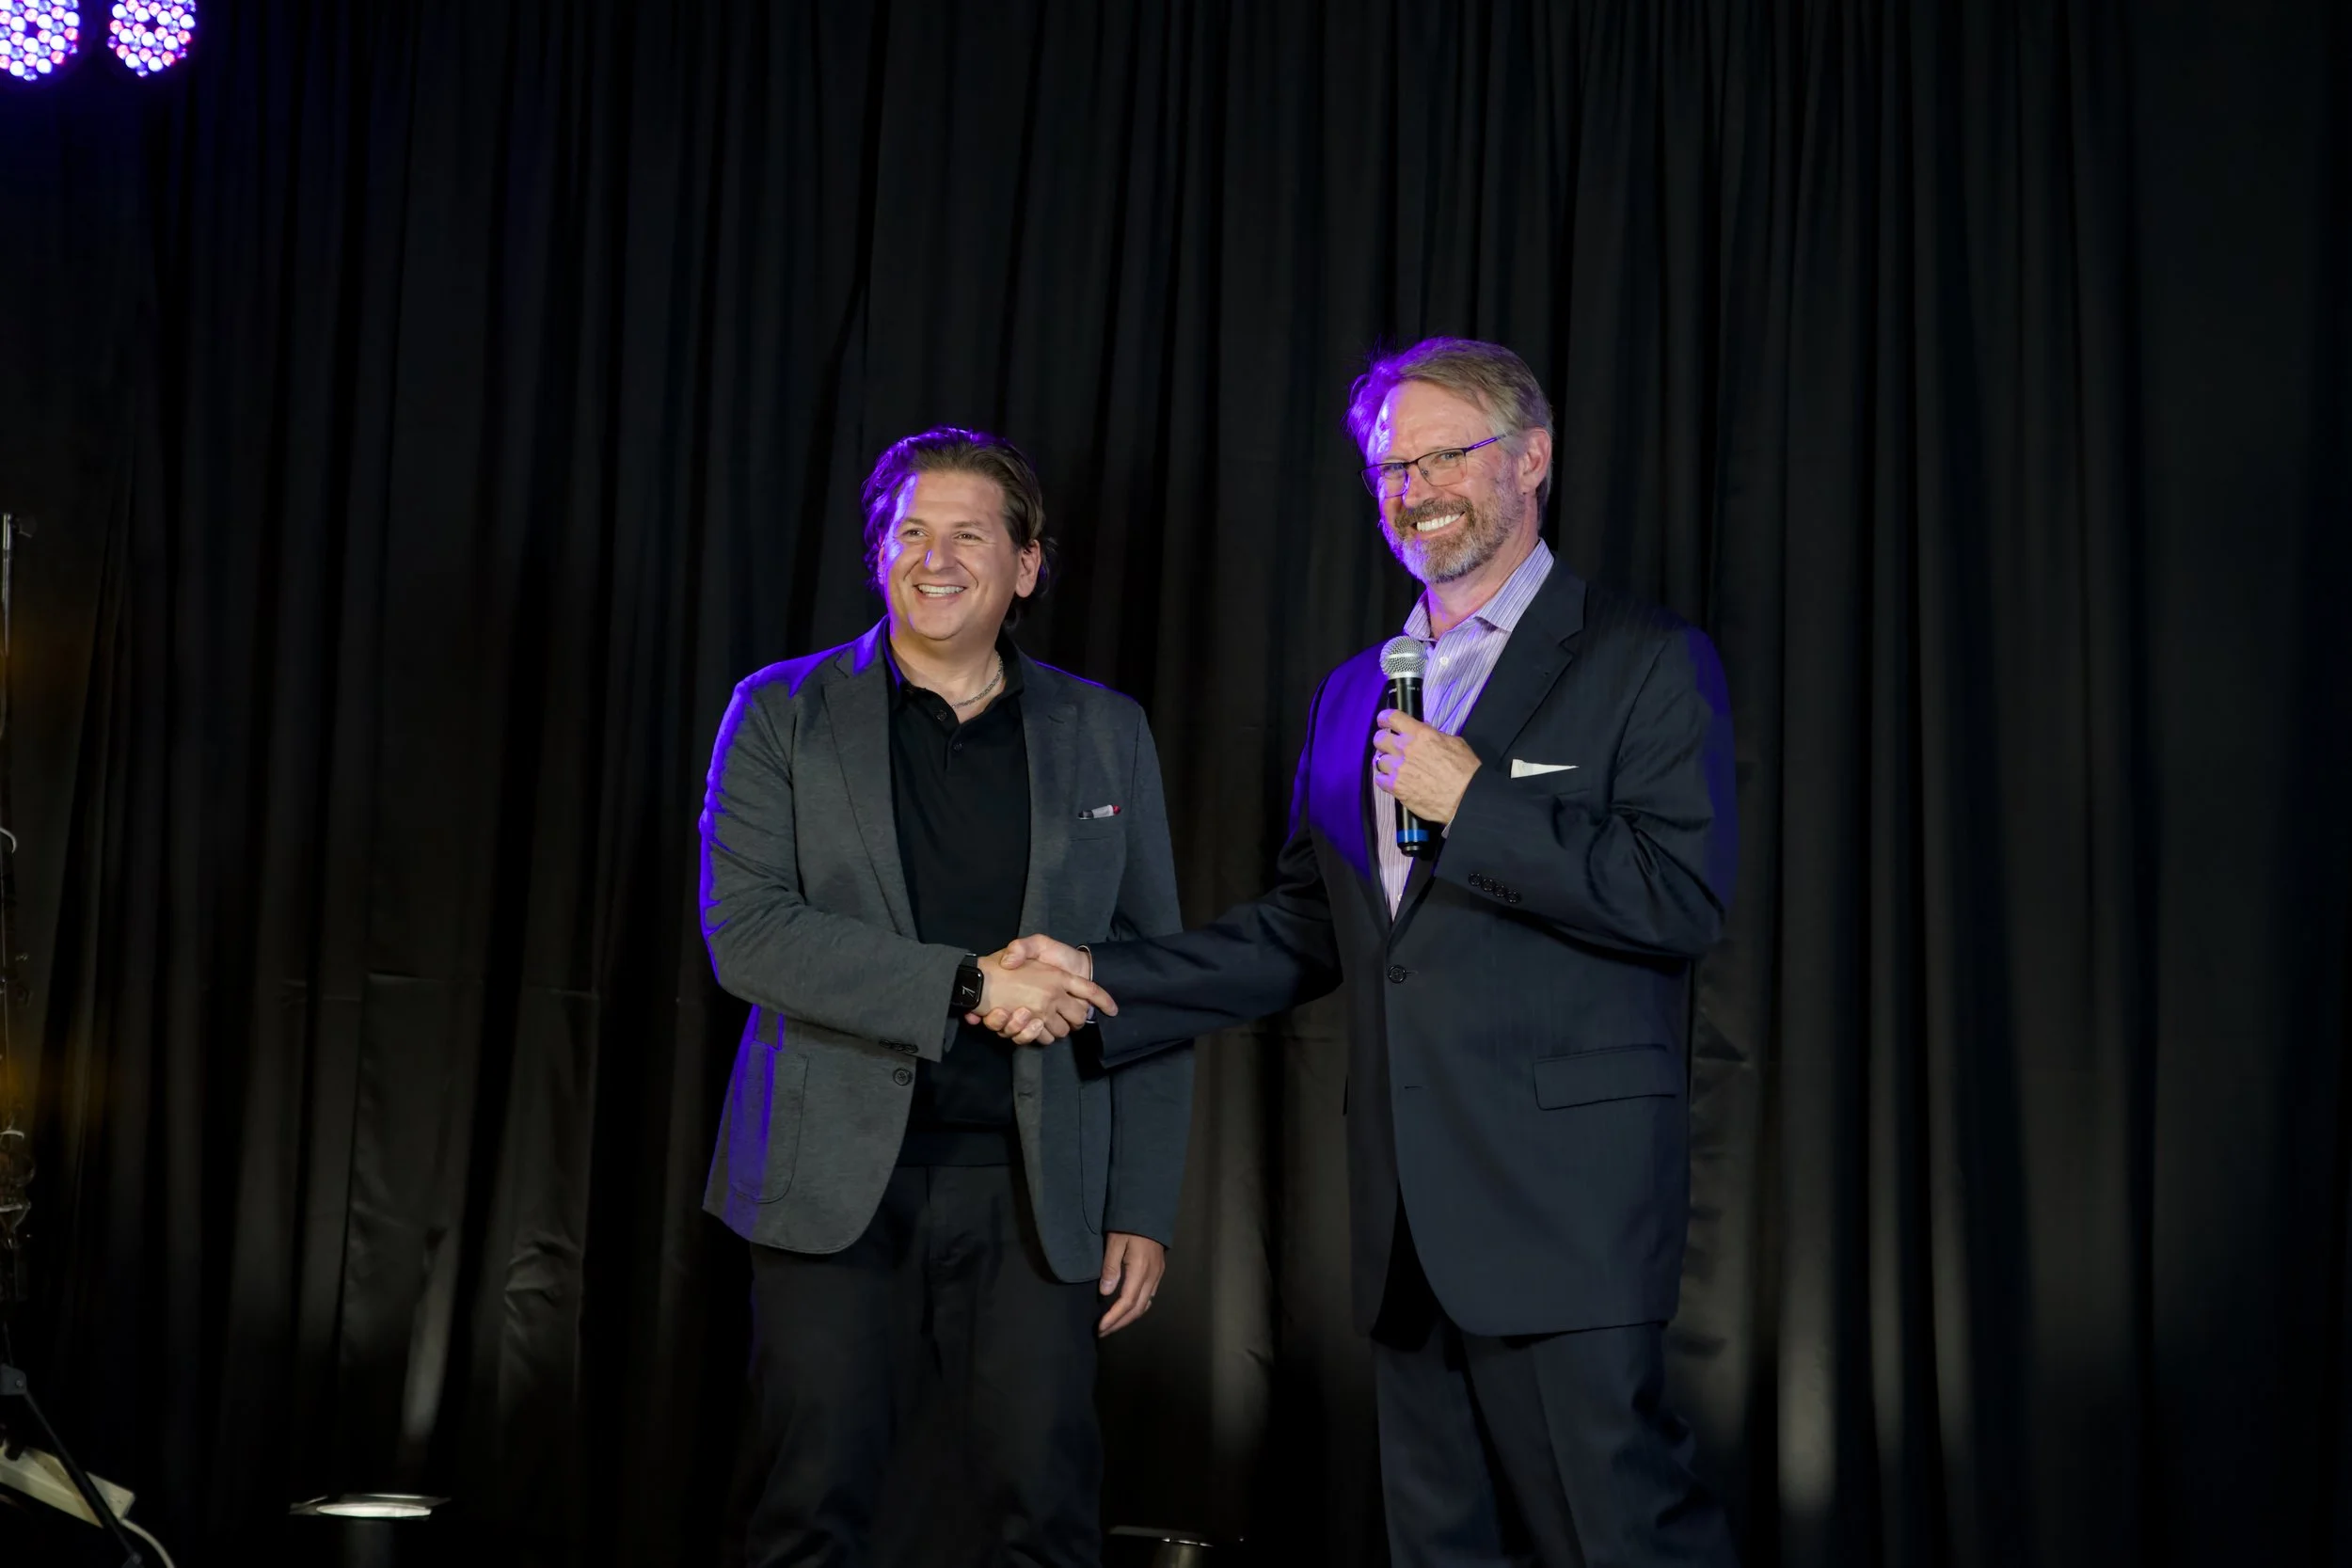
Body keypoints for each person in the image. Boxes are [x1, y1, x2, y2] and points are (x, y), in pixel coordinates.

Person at [985, 340, 1740, 1565]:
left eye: (1445, 455)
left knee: (1619, 1535)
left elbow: (1679, 897)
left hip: (1567, 1212)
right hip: (1407, 1223)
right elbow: (1303, 929)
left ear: (1532, 458)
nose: (1413, 488)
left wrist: (1476, 804)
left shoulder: (1640, 656)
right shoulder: (1356, 693)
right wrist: (1097, 975)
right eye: (1391, 466)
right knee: (1441, 1547)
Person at [699, 426, 1192, 1567]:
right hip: (824, 1182)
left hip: (1035, 1184)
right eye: (909, 531)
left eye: (969, 534)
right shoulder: (778, 711)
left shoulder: (1105, 730)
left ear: (1027, 564)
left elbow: (1150, 974)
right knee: (808, 1511)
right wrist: (970, 982)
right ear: (877, 554)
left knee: (1044, 1512)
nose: (935, 557)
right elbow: (748, 932)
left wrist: (1143, 1201)